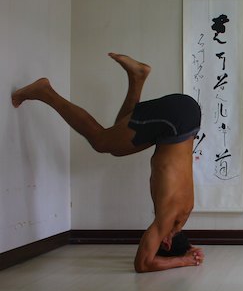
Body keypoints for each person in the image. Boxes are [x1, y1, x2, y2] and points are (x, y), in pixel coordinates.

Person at [12, 53, 204, 273]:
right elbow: (142, 265)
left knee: (115, 142)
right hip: (175, 121)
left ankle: (137, 77)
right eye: (156, 243)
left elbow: (174, 241)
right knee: (101, 141)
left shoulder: (184, 212)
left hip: (183, 121)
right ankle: (45, 92)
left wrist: (187, 250)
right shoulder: (167, 219)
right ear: (166, 242)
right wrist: (184, 260)